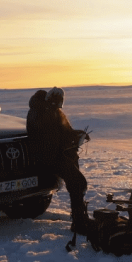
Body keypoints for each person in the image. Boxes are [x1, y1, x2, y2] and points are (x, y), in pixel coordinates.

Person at [26, 87, 91, 234]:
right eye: (55, 103)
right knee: (77, 182)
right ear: (49, 100)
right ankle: (79, 222)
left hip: (60, 155)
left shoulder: (55, 112)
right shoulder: (37, 113)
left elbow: (64, 131)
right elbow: (48, 139)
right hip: (48, 158)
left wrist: (77, 135)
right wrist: (69, 141)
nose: (58, 106)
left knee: (78, 183)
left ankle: (80, 218)